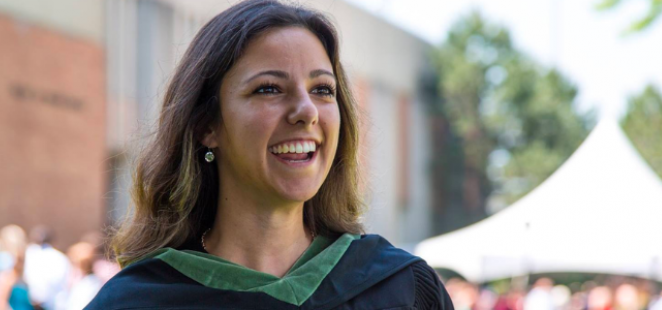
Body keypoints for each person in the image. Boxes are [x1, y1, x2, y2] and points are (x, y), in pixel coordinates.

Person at [84, 1, 454, 309]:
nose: (307, 110)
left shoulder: (405, 290)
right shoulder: (134, 302)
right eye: (269, 89)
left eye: (323, 89)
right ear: (206, 125)